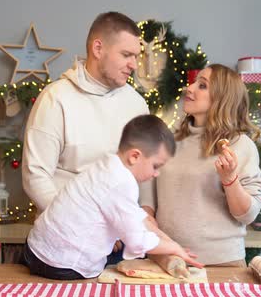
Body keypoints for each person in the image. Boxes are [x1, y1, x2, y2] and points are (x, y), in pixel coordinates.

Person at [22, 115, 204, 280]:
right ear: (134, 156)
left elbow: (139, 218)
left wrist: (170, 242)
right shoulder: (121, 183)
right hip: (63, 265)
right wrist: (174, 249)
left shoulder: (108, 165)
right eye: (156, 166)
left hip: (35, 250)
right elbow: (138, 240)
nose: (156, 174)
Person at [140, 64, 261, 267]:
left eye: (202, 86)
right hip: (167, 259)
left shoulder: (240, 145)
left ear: (222, 98)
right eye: (194, 82)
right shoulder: (169, 141)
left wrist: (230, 180)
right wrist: (148, 220)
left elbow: (247, 214)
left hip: (222, 263)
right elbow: (148, 195)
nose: (189, 88)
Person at [22, 11, 148, 212]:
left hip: (117, 236)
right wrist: (77, 223)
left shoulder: (137, 104)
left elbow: (144, 172)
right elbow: (35, 176)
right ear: (98, 48)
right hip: (64, 233)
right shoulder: (56, 98)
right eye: (126, 55)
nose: (133, 65)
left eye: (136, 56)